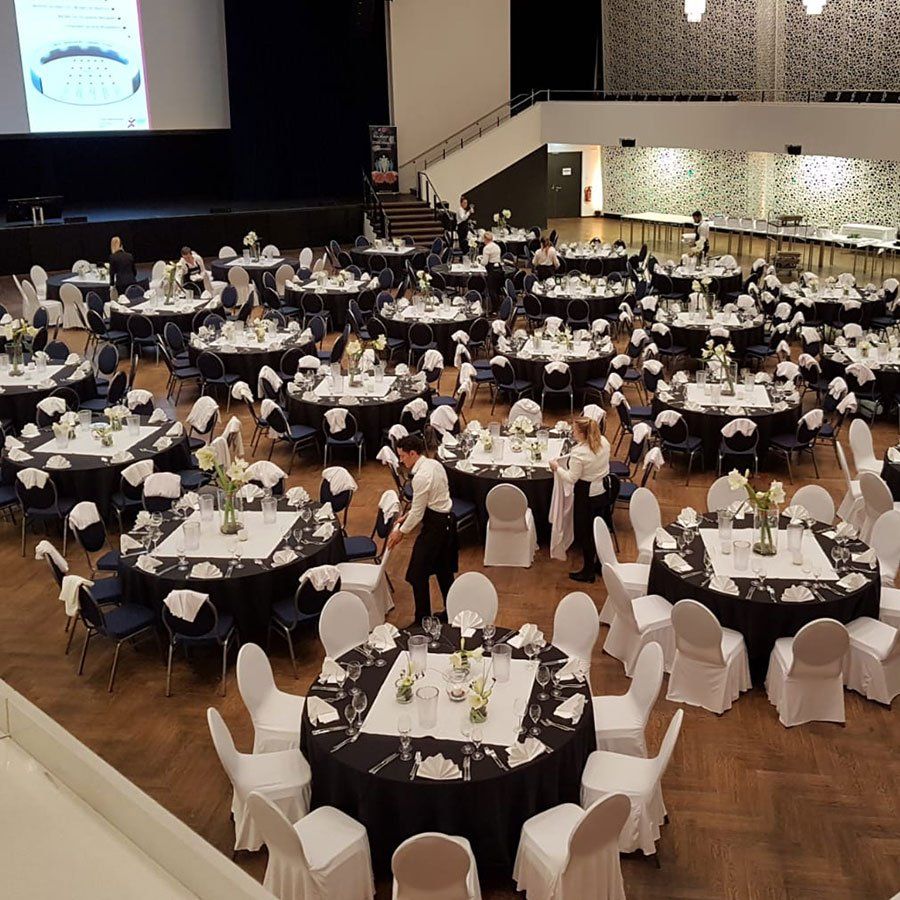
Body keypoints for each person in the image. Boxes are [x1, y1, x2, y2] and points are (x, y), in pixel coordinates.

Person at [386, 433, 457, 623]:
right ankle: (452, 613)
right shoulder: (434, 464)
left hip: (436, 527)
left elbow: (418, 513)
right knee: (444, 571)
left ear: (413, 454)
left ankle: (422, 620)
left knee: (417, 574)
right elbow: (429, 501)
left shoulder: (421, 477)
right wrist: (407, 515)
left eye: (402, 456)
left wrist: (400, 533)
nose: (401, 460)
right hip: (446, 521)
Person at [549, 416, 611, 583]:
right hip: (604, 490)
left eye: (575, 430)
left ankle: (588, 572)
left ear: (583, 433)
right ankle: (600, 564)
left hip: (586, 493)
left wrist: (557, 468)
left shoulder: (579, 453)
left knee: (585, 532)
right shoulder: (604, 442)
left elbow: (571, 478)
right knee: (598, 528)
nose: (572, 432)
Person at [478, 230, 504, 310]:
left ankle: (495, 309)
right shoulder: (497, 246)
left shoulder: (486, 248)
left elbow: (485, 262)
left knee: (491, 290)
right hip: (499, 268)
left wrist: (480, 260)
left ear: (485, 239)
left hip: (492, 269)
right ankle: (500, 306)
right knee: (497, 289)